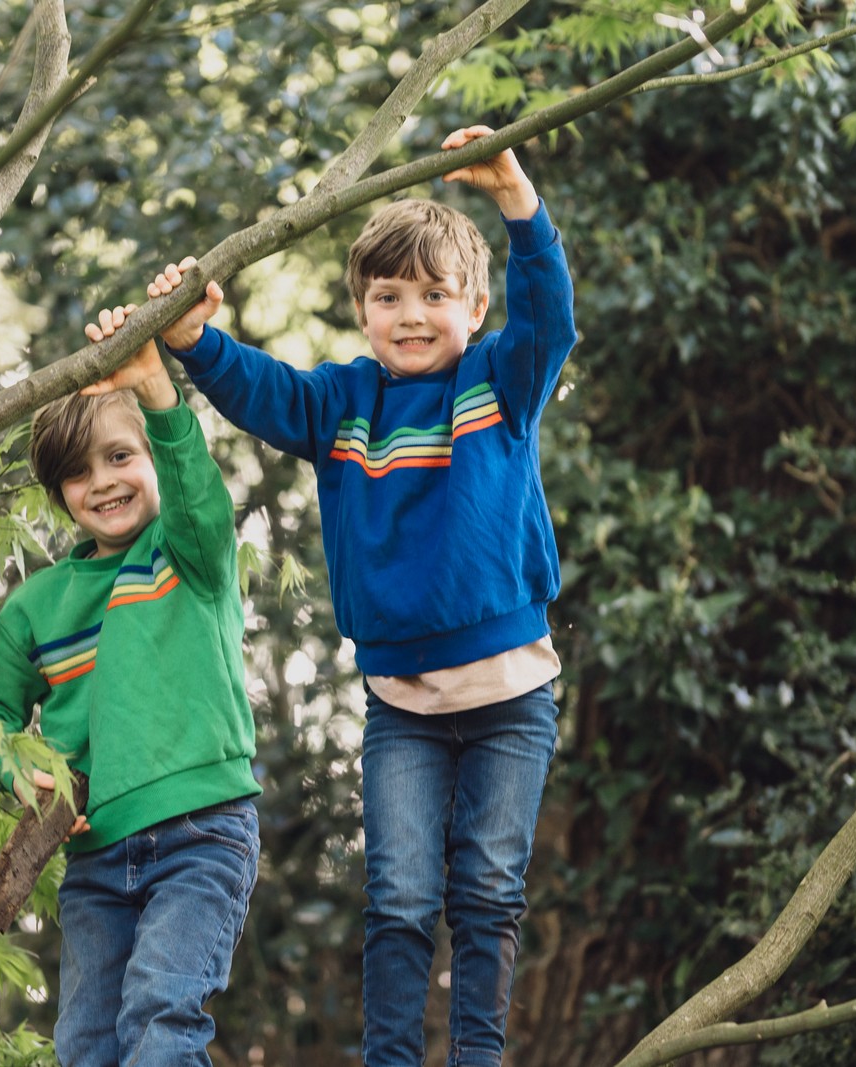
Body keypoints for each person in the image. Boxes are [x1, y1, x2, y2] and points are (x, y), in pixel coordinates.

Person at [145, 125, 576, 1066]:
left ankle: (476, 1059)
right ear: (362, 310)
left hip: (511, 699)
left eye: (434, 295)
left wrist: (516, 199)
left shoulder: (499, 383)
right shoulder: (344, 403)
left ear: (475, 308)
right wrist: (193, 340)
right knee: (400, 899)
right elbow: (264, 390)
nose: (411, 315)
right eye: (388, 297)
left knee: (488, 893)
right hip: (402, 708)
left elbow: (550, 317)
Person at [0, 305, 261, 1067]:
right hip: (94, 860)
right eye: (78, 472)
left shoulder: (188, 552)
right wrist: (13, 765)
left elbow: (195, 488)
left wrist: (156, 390)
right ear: (58, 493)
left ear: (153, 456)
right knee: (86, 1044)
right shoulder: (37, 604)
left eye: (120, 456)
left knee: (161, 1017)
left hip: (201, 834)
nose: (102, 482)